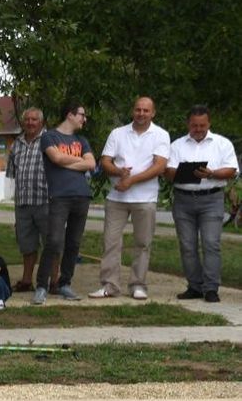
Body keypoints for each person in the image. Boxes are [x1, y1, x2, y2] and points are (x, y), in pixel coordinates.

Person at [90, 96, 170, 300]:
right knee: (111, 242)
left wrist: (131, 181)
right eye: (138, 109)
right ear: (132, 111)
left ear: (153, 113)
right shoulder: (118, 133)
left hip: (145, 197)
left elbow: (159, 166)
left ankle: (138, 285)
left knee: (142, 243)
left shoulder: (160, 134)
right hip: (116, 196)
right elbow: (105, 161)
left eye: (145, 110)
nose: (141, 114)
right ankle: (109, 285)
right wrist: (118, 172)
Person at [165, 106, 238, 303]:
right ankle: (194, 286)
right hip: (183, 199)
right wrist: (181, 173)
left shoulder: (222, 143)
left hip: (211, 198)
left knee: (211, 244)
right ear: (188, 124)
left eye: (202, 125)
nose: (198, 129)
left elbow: (231, 169)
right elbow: (168, 170)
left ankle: (211, 288)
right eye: (194, 125)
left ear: (209, 123)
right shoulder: (177, 145)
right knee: (187, 245)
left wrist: (212, 174)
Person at [32, 103, 94, 305]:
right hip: (59, 197)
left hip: (82, 196)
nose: (84, 119)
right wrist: (78, 162)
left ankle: (64, 283)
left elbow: (91, 164)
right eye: (82, 115)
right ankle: (42, 286)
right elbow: (56, 158)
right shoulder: (49, 137)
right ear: (70, 115)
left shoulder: (82, 140)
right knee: (54, 241)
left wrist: (67, 162)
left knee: (74, 243)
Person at [5, 107, 48, 292]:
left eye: (34, 119)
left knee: (51, 243)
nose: (30, 123)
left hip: (46, 201)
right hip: (23, 202)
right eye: (27, 119)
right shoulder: (17, 144)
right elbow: (12, 174)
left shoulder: (50, 141)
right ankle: (26, 280)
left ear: (41, 122)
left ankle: (52, 281)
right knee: (27, 244)